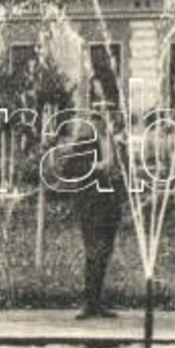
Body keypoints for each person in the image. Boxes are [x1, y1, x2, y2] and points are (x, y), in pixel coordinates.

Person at [64, 91, 124, 321]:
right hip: (90, 203)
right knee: (93, 251)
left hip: (110, 205)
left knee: (105, 252)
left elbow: (121, 170)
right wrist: (97, 166)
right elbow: (68, 168)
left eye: (110, 115)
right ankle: (88, 303)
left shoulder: (116, 142)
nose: (106, 119)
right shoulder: (85, 140)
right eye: (101, 115)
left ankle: (98, 302)